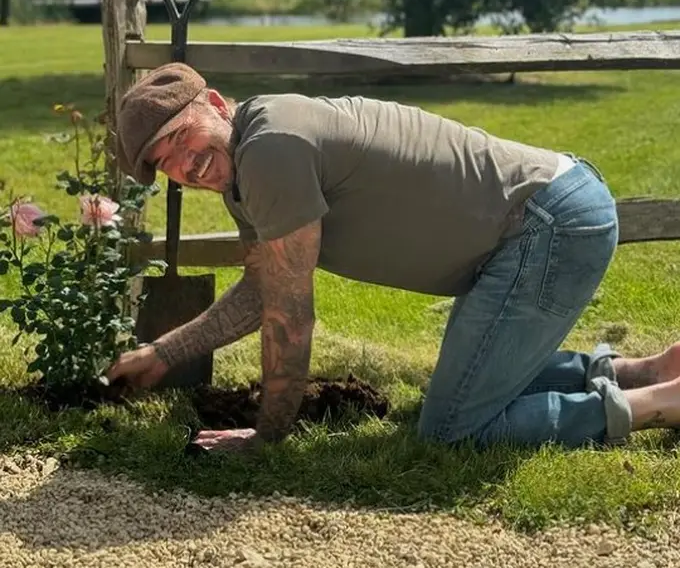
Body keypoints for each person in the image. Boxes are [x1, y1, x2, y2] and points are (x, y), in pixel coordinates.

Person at [107, 62, 680, 454]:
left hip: (546, 224)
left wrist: (266, 436)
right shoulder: (247, 165)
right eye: (165, 162)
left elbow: (290, 317)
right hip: (541, 214)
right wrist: (165, 352)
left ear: (213, 103)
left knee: (453, 429)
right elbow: (262, 292)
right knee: (458, 395)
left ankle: (657, 404)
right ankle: (646, 371)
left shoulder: (269, 150)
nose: (185, 163)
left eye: (182, 136)